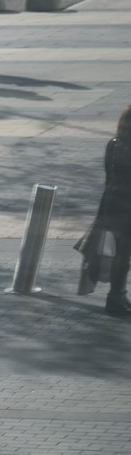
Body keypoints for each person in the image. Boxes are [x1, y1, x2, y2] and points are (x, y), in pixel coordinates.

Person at [78, 106, 131, 318]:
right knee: (123, 255)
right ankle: (116, 298)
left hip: (113, 204)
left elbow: (108, 176)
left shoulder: (113, 144)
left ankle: (118, 295)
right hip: (127, 206)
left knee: (121, 253)